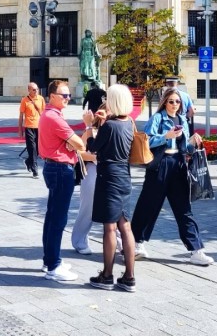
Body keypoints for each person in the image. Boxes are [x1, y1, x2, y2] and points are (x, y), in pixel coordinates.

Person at [131, 88, 213, 266]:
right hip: (160, 165)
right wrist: (165, 136)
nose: (175, 105)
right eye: (171, 101)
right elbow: (146, 140)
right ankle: (136, 244)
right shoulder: (158, 118)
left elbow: (185, 148)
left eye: (177, 102)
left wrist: (192, 141)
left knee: (184, 208)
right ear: (164, 102)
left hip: (178, 165)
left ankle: (196, 250)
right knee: (148, 205)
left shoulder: (183, 119)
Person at [38, 80, 92, 281]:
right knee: (58, 219)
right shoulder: (54, 117)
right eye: (64, 95)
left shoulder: (51, 115)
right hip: (60, 169)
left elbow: (74, 144)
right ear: (52, 96)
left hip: (54, 167)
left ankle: (49, 260)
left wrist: (70, 144)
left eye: (69, 95)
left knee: (52, 216)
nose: (68, 98)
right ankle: (53, 265)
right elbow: (79, 144)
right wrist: (83, 132)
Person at [87, 85, 137, 292]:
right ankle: (129, 276)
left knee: (109, 227)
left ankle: (107, 275)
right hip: (124, 176)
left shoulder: (110, 126)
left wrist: (90, 126)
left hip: (108, 178)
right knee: (125, 226)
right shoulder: (128, 123)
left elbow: (92, 147)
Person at [72, 104, 105, 256]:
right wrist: (94, 157)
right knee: (88, 208)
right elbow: (79, 152)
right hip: (92, 170)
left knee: (117, 211)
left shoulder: (120, 127)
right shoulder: (92, 130)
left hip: (113, 173)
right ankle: (80, 240)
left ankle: (122, 243)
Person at [18, 82, 45, 178]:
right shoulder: (24, 100)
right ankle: (35, 169)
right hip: (29, 127)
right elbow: (21, 116)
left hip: (39, 127)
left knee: (38, 149)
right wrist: (20, 129)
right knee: (31, 148)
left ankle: (28, 161)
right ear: (29, 90)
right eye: (34, 89)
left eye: (37, 89)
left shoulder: (41, 99)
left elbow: (44, 113)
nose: (36, 91)